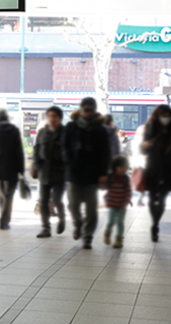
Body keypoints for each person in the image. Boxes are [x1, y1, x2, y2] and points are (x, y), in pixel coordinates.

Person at [62, 97, 110, 249]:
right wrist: (68, 160)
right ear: (80, 110)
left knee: (91, 209)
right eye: (85, 110)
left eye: (90, 110)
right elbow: (63, 146)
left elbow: (105, 153)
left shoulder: (100, 130)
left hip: (92, 175)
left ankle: (87, 236)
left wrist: (103, 173)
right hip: (74, 173)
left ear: (94, 111)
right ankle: (78, 225)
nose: (87, 113)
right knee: (73, 205)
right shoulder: (71, 127)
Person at [141, 105, 171, 242]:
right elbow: (144, 149)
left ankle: (155, 224)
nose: (165, 118)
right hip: (152, 167)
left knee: (161, 199)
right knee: (152, 198)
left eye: (167, 115)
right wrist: (143, 146)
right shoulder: (151, 127)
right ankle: (155, 222)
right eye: (162, 115)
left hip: (167, 168)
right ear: (158, 116)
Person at [32, 106, 66, 238]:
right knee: (44, 201)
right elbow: (36, 150)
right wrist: (36, 164)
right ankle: (46, 228)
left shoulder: (65, 133)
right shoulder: (42, 133)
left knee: (57, 199)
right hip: (44, 172)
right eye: (50, 116)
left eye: (55, 116)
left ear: (60, 118)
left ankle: (62, 219)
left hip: (59, 172)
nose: (52, 119)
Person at [103, 156, 132, 249]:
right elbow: (105, 189)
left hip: (121, 205)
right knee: (111, 221)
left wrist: (126, 202)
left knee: (120, 222)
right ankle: (107, 233)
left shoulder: (125, 178)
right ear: (115, 167)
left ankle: (119, 240)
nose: (123, 169)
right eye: (121, 167)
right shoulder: (110, 177)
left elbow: (128, 191)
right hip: (112, 204)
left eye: (125, 167)